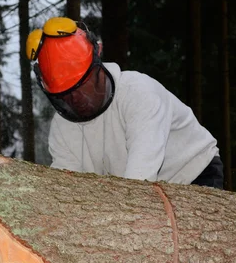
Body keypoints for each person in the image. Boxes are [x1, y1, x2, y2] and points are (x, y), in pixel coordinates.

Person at [26, 17, 223, 189]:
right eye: (65, 95)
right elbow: (68, 187)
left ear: (97, 67)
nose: (75, 98)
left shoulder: (138, 93)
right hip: (134, 188)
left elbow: (140, 180)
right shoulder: (62, 128)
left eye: (81, 88)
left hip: (192, 172)